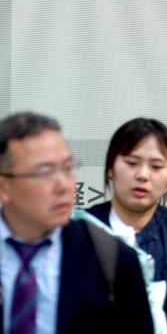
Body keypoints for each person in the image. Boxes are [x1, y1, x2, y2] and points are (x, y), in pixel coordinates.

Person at [0, 111, 154, 333]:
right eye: (44, 172)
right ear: (4, 186)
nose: (64, 185)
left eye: (67, 168)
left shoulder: (112, 259)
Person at [88, 118, 167, 334]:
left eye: (156, 166)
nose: (143, 175)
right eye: (131, 163)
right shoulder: (81, 225)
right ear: (110, 168)